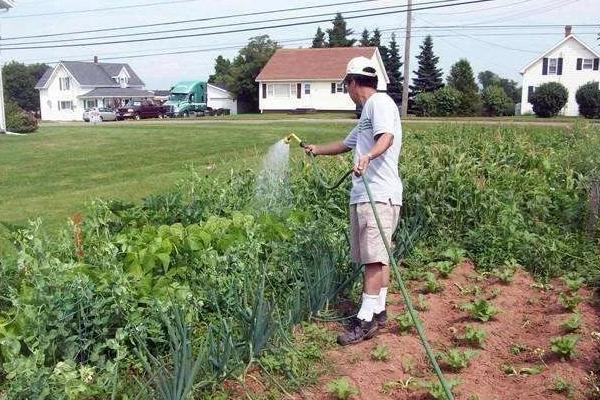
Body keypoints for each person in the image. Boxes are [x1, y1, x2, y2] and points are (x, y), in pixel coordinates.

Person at [304, 56, 403, 346]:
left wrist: (369, 156)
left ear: (353, 82)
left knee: (373, 259)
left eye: (345, 84)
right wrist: (316, 150)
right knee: (378, 258)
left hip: (378, 195)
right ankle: (379, 311)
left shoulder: (378, 103)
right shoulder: (366, 114)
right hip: (372, 195)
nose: (346, 90)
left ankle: (365, 320)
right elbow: (346, 144)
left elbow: (387, 137)